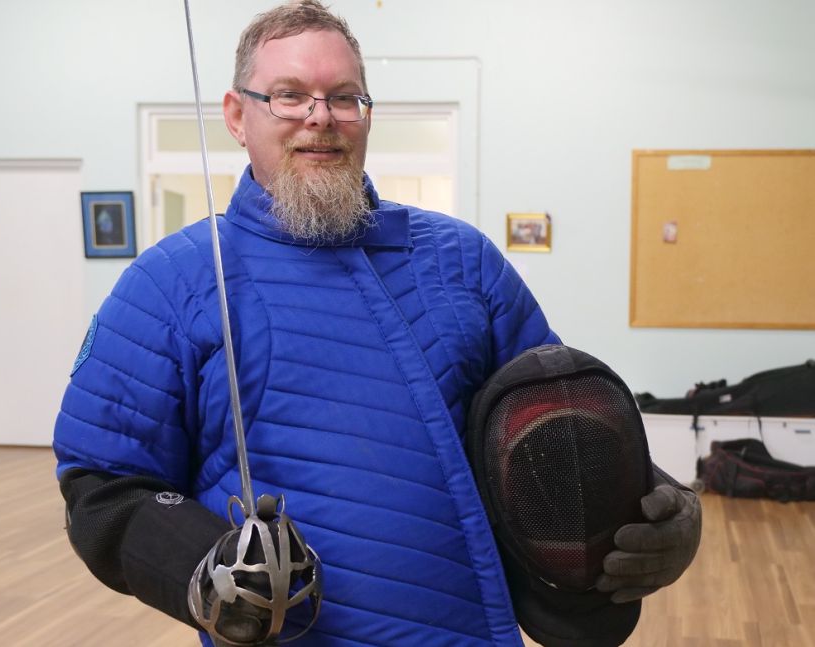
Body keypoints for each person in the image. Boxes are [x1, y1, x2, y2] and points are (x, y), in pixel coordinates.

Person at [53, 2, 700, 646]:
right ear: (236, 115)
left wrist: (661, 504)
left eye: (343, 97)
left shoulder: (462, 259)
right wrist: (199, 563)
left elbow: (552, 426)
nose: (320, 118)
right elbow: (105, 481)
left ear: (366, 113)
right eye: (289, 95)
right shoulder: (174, 280)